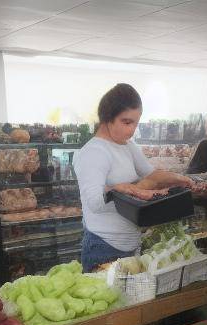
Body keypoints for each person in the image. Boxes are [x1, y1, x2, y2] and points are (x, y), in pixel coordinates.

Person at [75, 83, 194, 272]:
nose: (132, 130)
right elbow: (94, 202)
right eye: (126, 122)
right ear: (107, 118)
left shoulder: (127, 146)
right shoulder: (94, 152)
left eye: (136, 123)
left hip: (131, 245)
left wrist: (179, 178)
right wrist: (122, 189)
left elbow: (151, 174)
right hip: (103, 247)